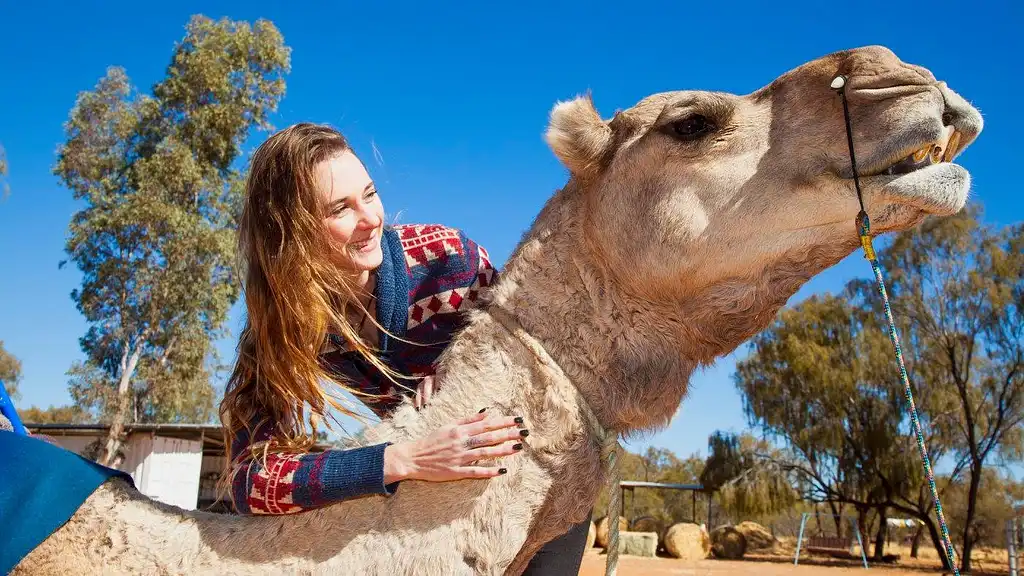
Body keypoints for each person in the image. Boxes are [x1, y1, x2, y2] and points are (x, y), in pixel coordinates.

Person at [220, 122, 591, 573]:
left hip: (539, 483)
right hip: (430, 505)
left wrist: (466, 357)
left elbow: (550, 360)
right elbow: (251, 481)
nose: (372, 218)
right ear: (290, 231)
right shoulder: (282, 332)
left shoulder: (448, 259)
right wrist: (399, 460)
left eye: (370, 194)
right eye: (340, 208)